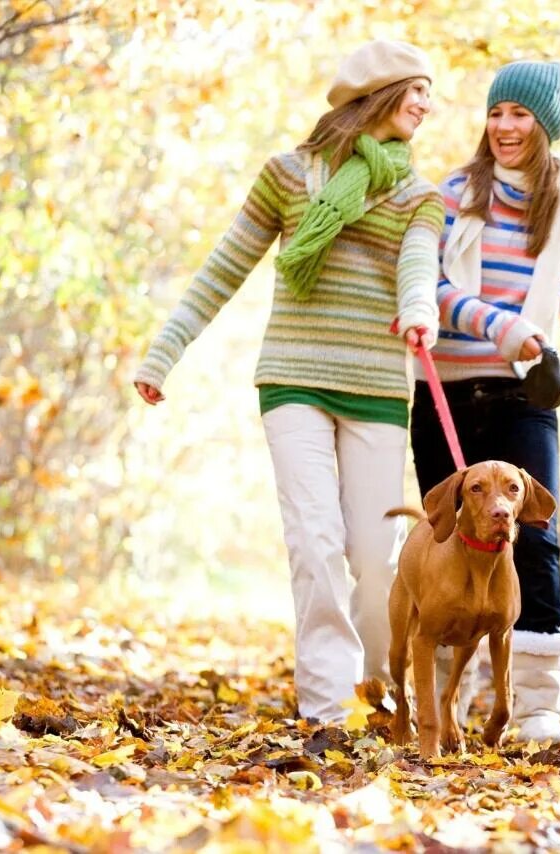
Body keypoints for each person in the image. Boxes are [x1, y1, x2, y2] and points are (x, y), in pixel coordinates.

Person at [134, 41, 443, 724]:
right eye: (415, 89)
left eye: (429, 92)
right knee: (315, 539)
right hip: (294, 380)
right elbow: (224, 268)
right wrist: (163, 354)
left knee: (376, 558)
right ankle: (327, 706)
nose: (427, 103)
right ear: (376, 92)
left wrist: (420, 309)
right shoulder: (287, 176)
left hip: (376, 391)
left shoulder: (420, 195)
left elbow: (419, 266)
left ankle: (374, 682)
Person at [412, 60, 560, 742]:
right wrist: (501, 324)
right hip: (446, 389)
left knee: (535, 538)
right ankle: (451, 702)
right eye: (496, 113)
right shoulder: (453, 193)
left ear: (547, 124)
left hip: (524, 394)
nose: (505, 127)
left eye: (520, 115)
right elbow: (432, 291)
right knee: (449, 546)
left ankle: (538, 706)